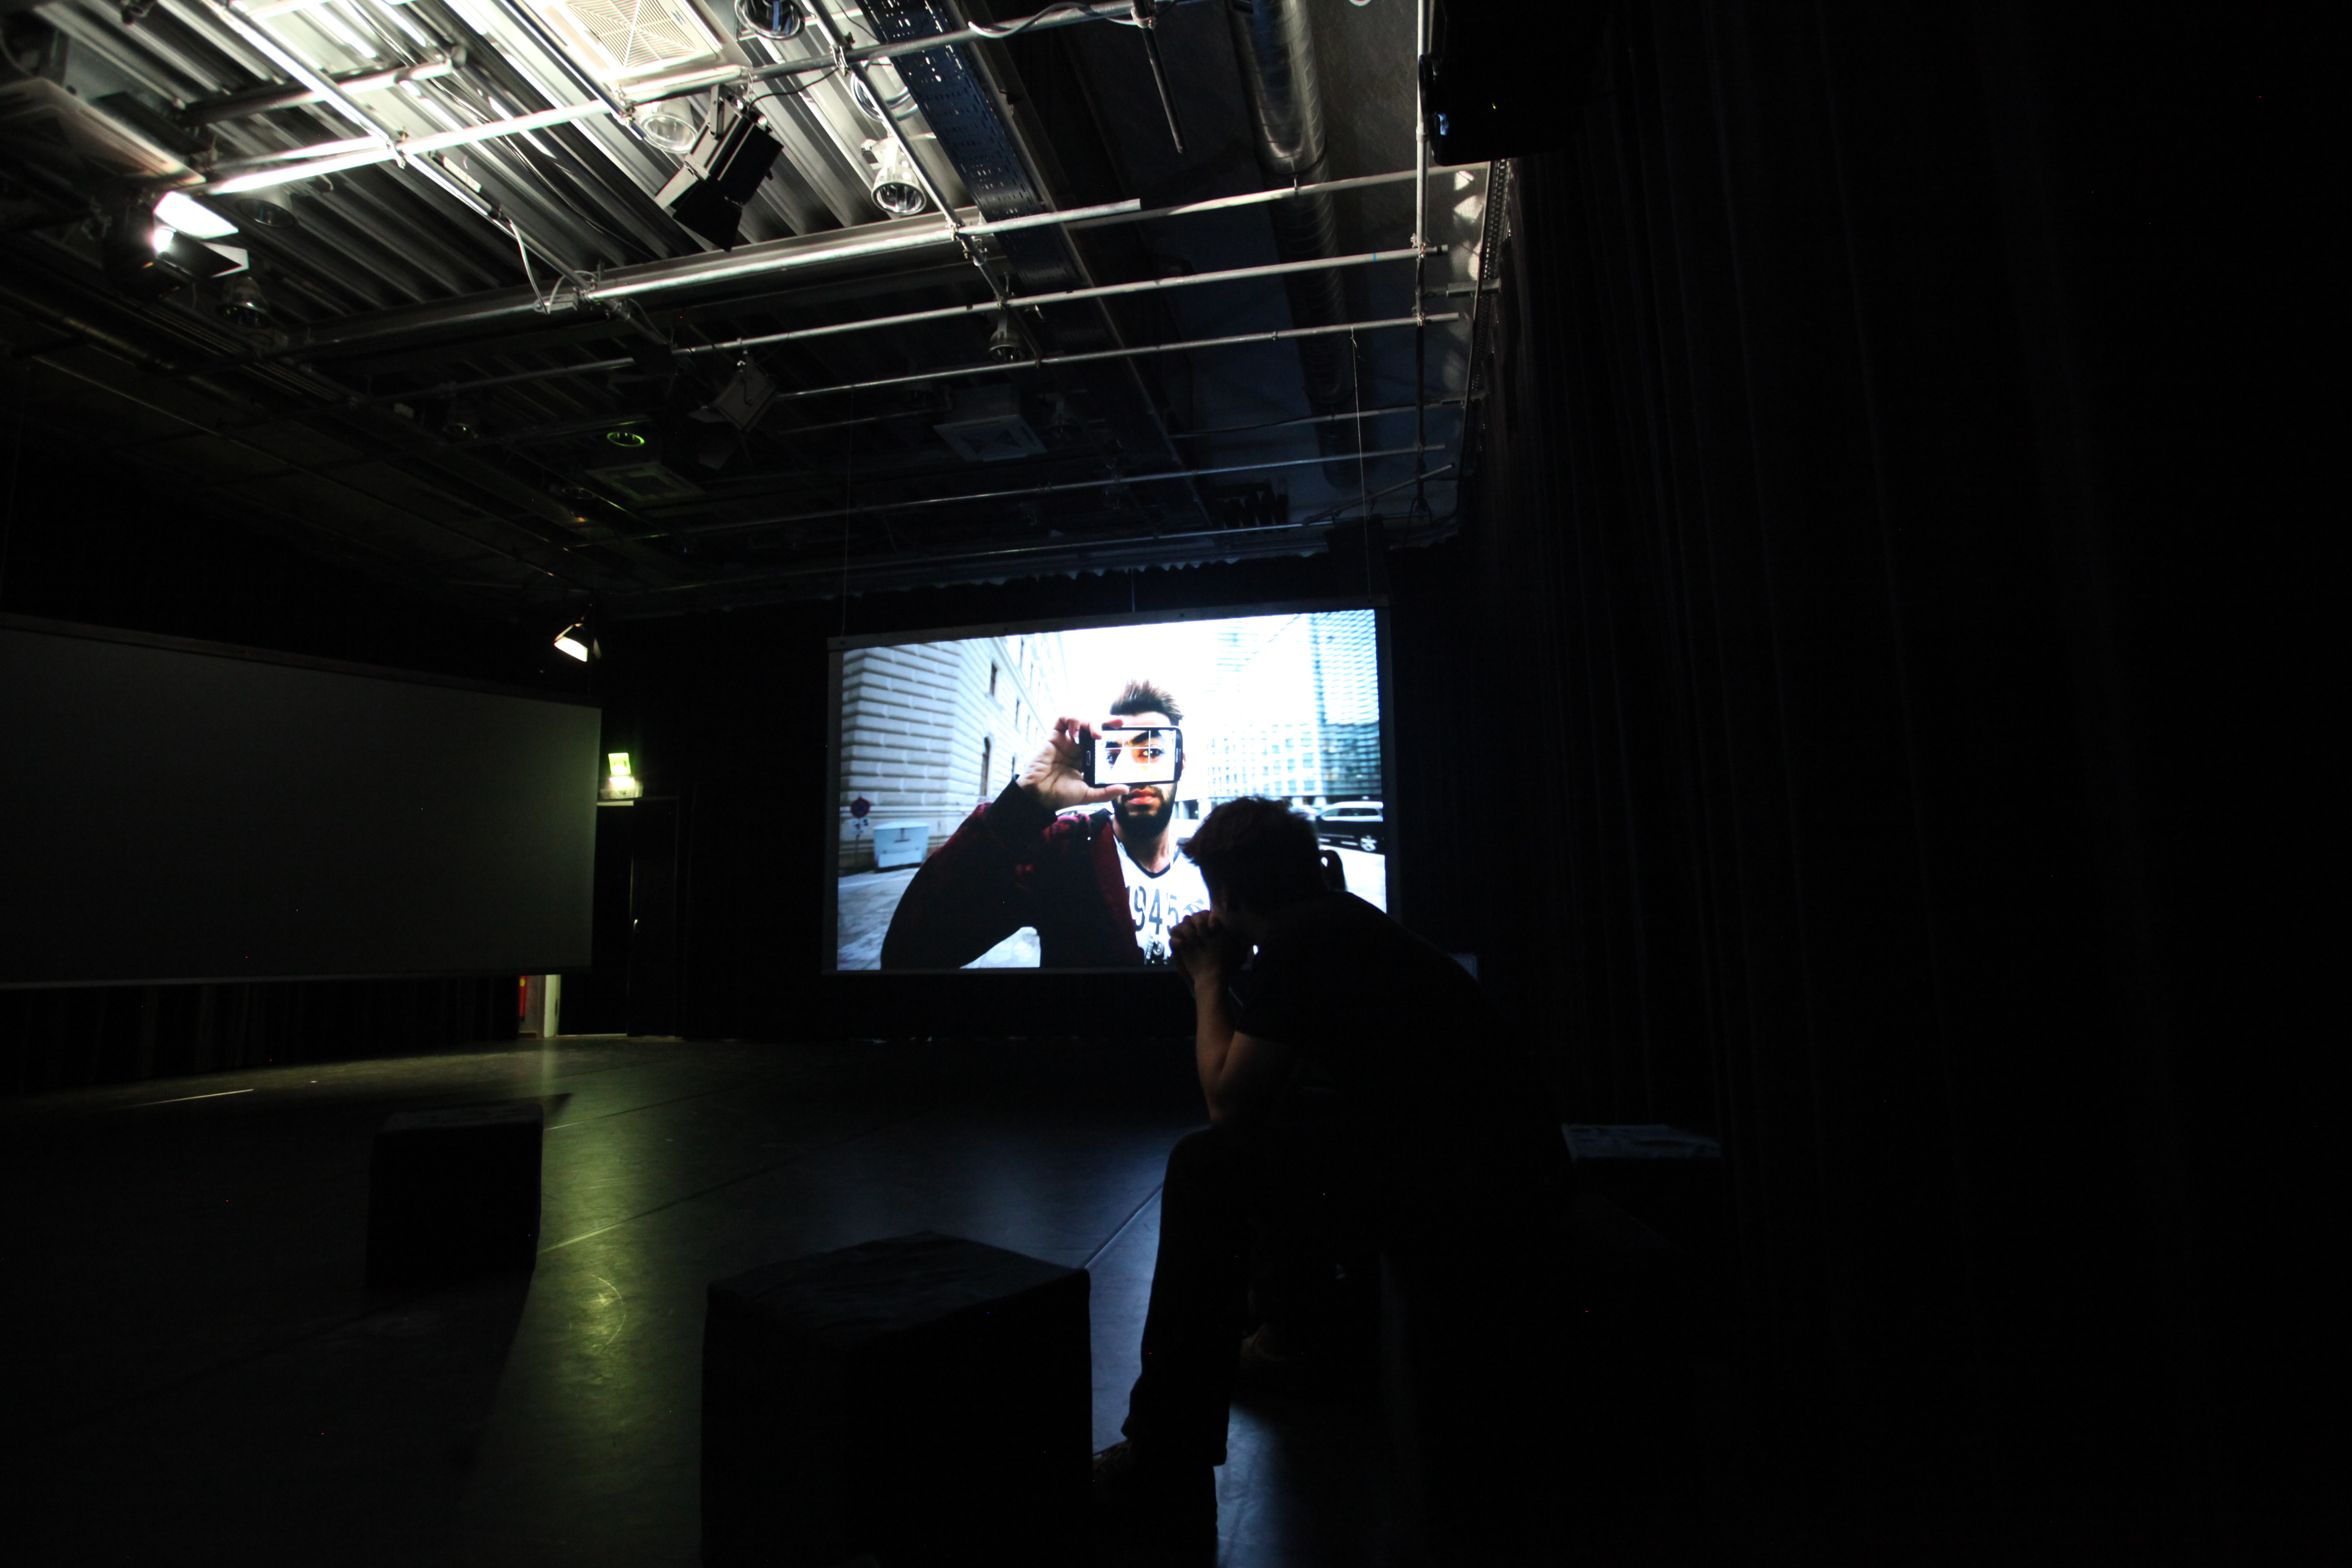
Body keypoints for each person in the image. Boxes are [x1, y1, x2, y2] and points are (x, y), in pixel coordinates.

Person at [1091, 797, 1571, 1553]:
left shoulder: (1303, 944)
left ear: (1229, 893)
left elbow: (1227, 1102)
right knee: (1285, 1129)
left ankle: (1166, 1451)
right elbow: (1279, 1073)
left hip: (1465, 1189)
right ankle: (1291, 1334)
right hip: (1497, 1168)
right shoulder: (1336, 925)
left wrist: (1208, 980)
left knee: (1205, 1165)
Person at [879, 679, 1210, 969]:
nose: (1139, 777)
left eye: (1153, 754)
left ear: (1180, 764)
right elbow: (911, 950)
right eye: (1119, 756)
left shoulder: (1213, 863)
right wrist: (1024, 803)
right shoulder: (1067, 848)